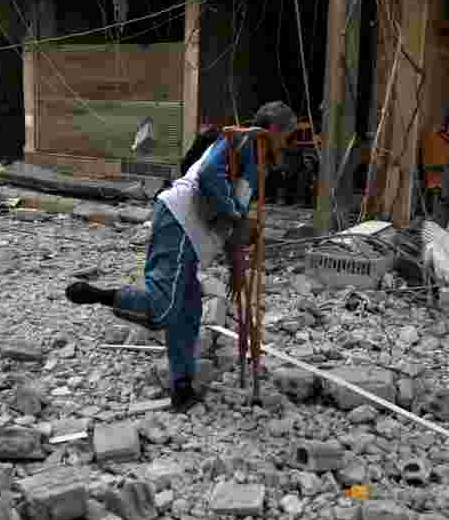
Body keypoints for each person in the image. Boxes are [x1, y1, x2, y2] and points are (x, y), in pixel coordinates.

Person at [65, 102, 298, 411]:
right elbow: (210, 175)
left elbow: (234, 219)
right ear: (274, 130)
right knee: (163, 309)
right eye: (288, 137)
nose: (288, 145)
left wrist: (236, 264)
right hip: (180, 222)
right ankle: (100, 295)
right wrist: (233, 214)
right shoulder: (245, 140)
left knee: (186, 316)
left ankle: (182, 388)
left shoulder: (254, 160)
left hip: (195, 237)